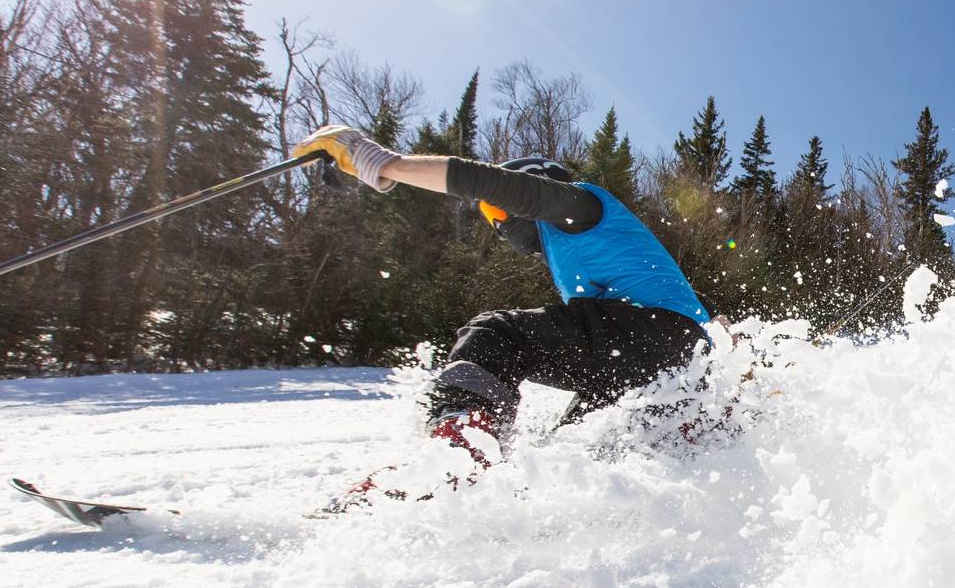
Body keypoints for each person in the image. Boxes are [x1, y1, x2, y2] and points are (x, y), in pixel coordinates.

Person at [292, 125, 712, 482]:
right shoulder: (579, 252)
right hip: (674, 365)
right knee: (572, 455)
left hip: (656, 335)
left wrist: (385, 164)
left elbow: (496, 185)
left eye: (497, 212)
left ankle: (457, 455)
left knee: (496, 334)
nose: (498, 225)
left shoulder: (583, 207)